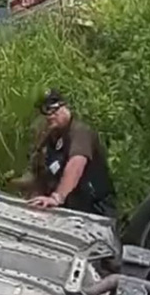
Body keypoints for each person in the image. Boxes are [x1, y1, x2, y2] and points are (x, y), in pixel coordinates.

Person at [22, 89, 117, 218]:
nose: (50, 116)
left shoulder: (79, 133)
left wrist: (57, 198)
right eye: (45, 111)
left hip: (95, 210)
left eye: (54, 109)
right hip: (68, 211)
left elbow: (76, 166)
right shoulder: (48, 141)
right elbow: (39, 176)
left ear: (65, 107)